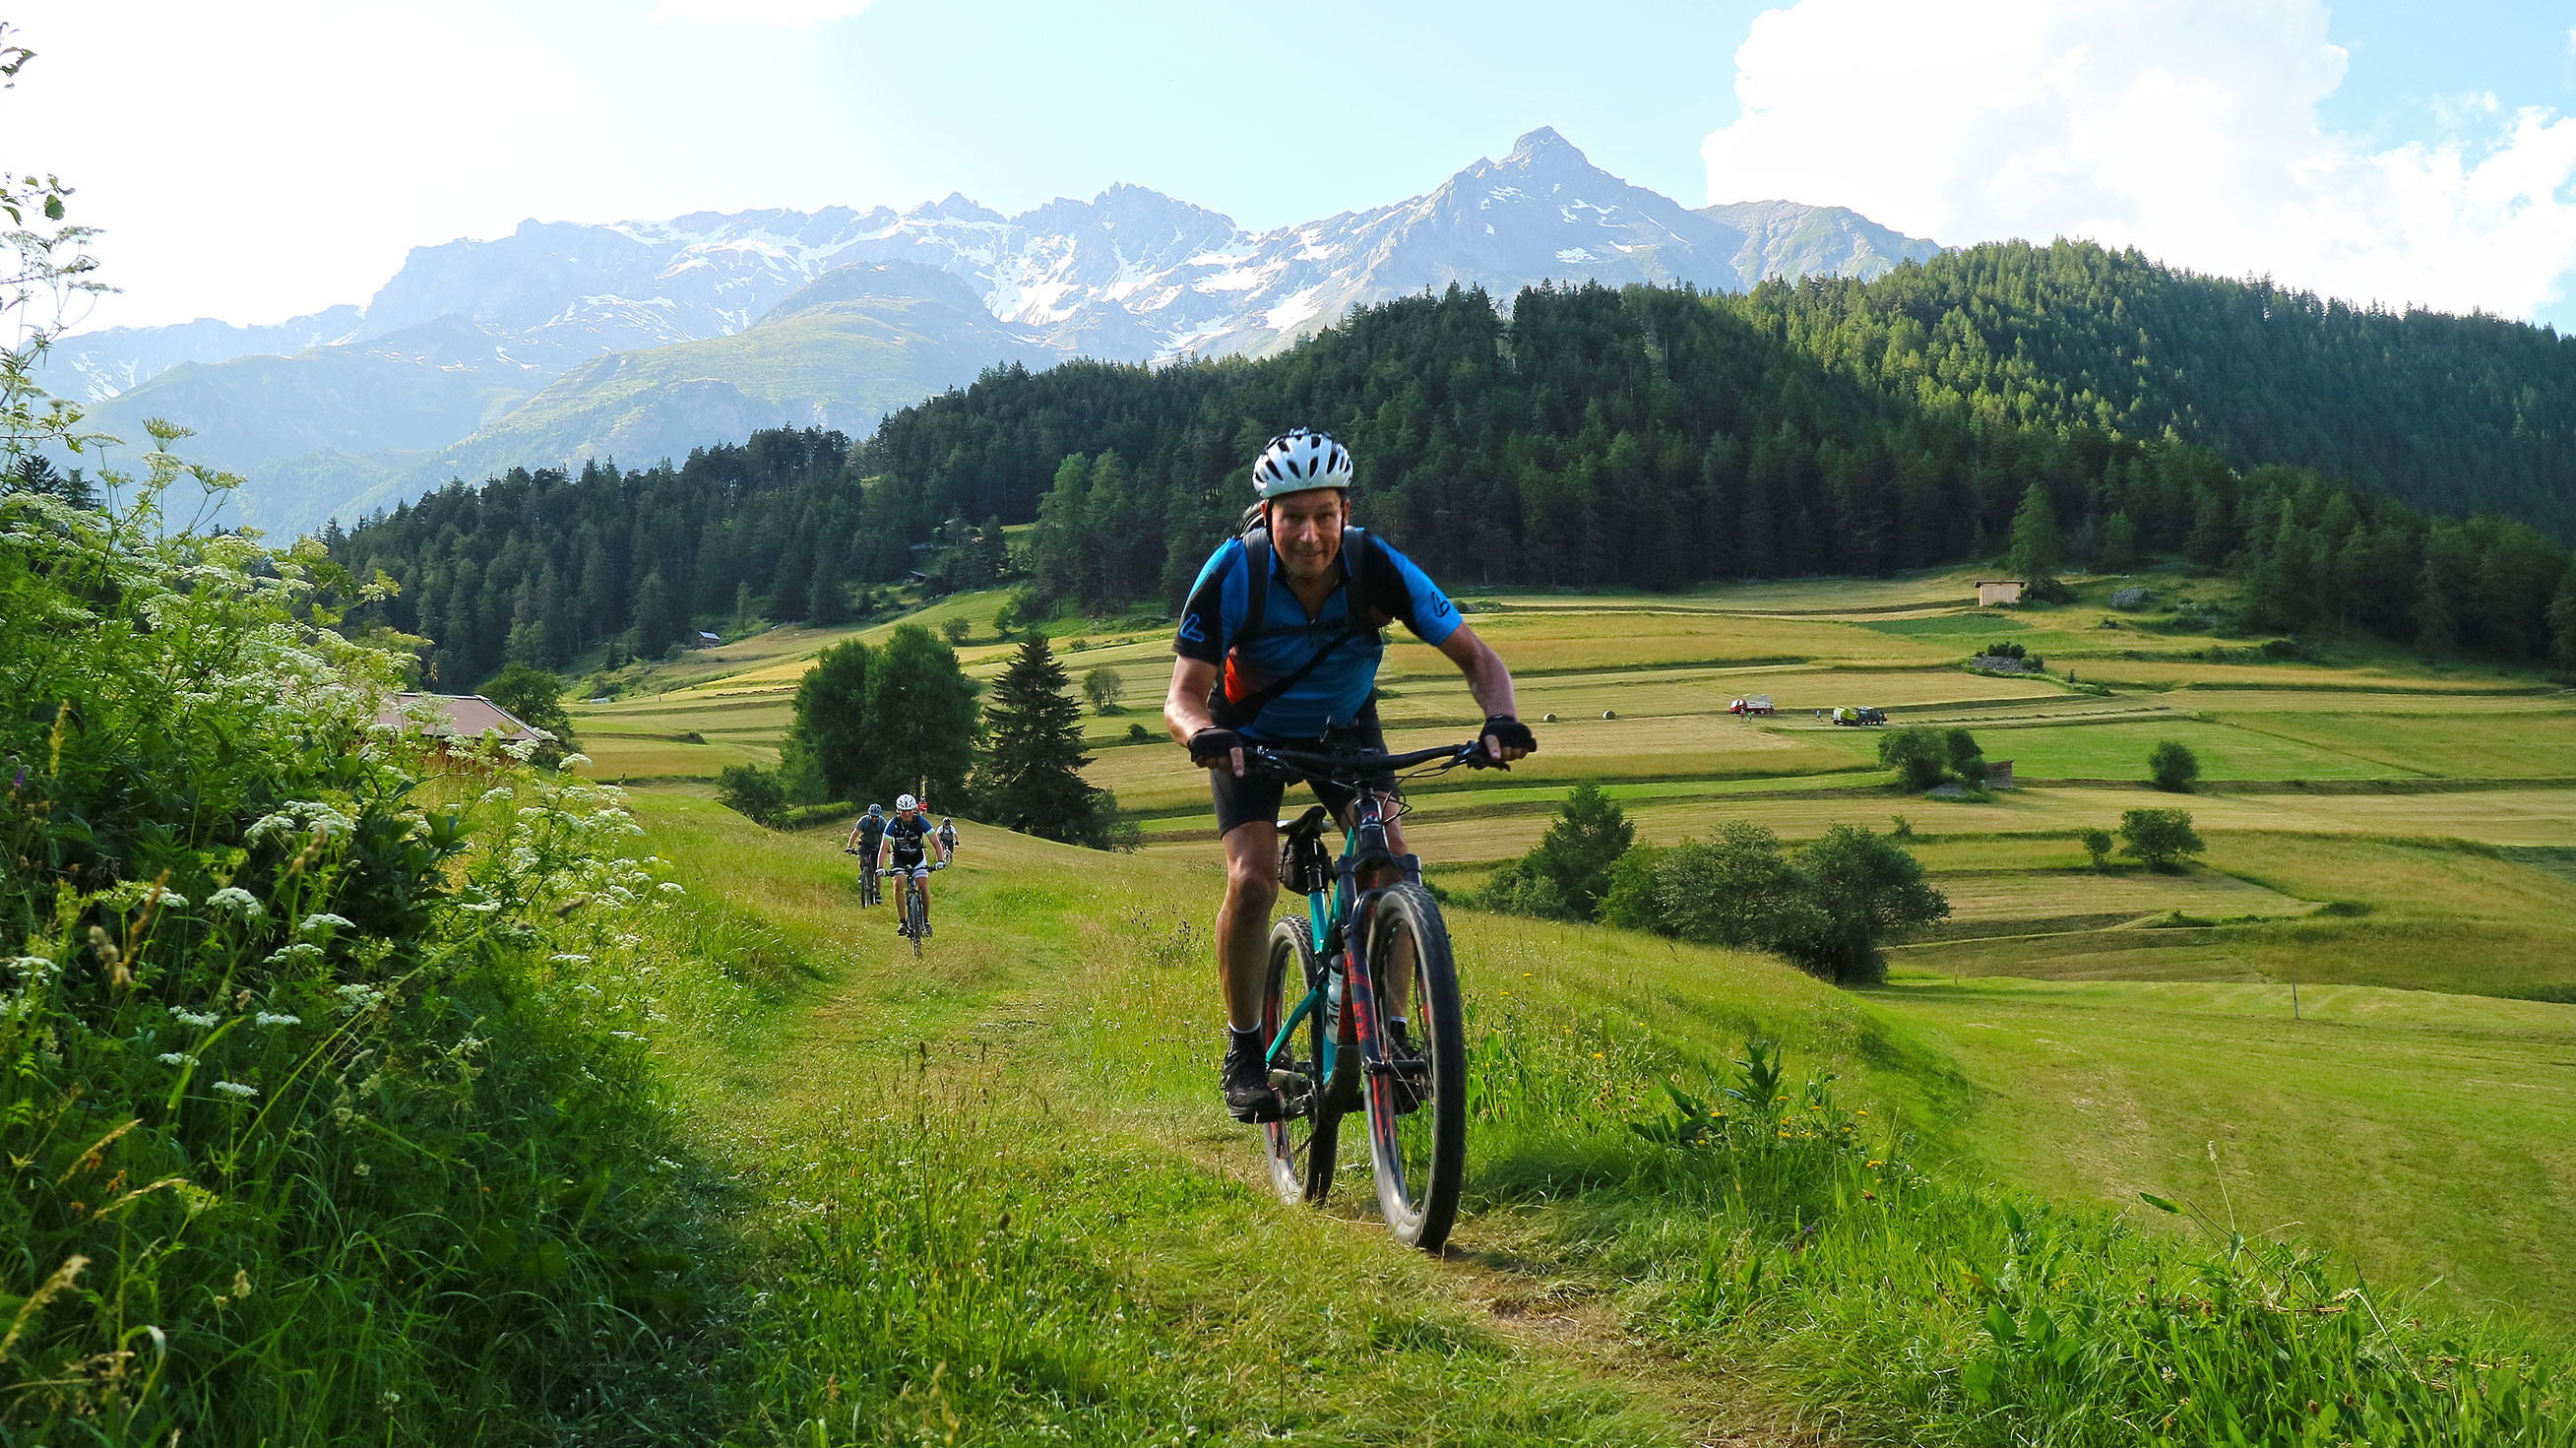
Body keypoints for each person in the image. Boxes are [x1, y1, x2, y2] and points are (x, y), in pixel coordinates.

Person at [1162, 427, 1534, 1123]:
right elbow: (1181, 695)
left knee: (1390, 864)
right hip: (1246, 734)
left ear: (1344, 511)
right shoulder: (1233, 572)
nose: (1309, 534)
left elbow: (1478, 658)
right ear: (1266, 515)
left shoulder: (1375, 566)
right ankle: (1245, 1050)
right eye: (1292, 516)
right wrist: (1203, 734)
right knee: (1251, 880)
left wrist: (1500, 719)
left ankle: (1388, 1033)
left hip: (1342, 730)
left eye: (1324, 515)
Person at [878, 792, 937, 936]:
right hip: (899, 856)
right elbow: (884, 847)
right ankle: (903, 921)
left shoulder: (920, 821)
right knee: (898, 883)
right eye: (903, 811)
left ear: (914, 810)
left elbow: (935, 841)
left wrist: (941, 860)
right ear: (898, 810)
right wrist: (880, 867)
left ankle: (926, 921)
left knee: (923, 886)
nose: (906, 814)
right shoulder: (893, 824)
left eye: (909, 810)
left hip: (917, 856)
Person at [845, 802, 888, 906]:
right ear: (869, 815)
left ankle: (878, 893)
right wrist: (849, 847)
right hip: (865, 844)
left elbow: (888, 836)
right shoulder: (864, 820)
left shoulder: (882, 822)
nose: (874, 819)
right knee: (862, 859)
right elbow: (855, 833)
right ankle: (863, 874)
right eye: (872, 816)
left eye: (876, 817)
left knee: (877, 870)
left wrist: (889, 848)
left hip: (877, 846)